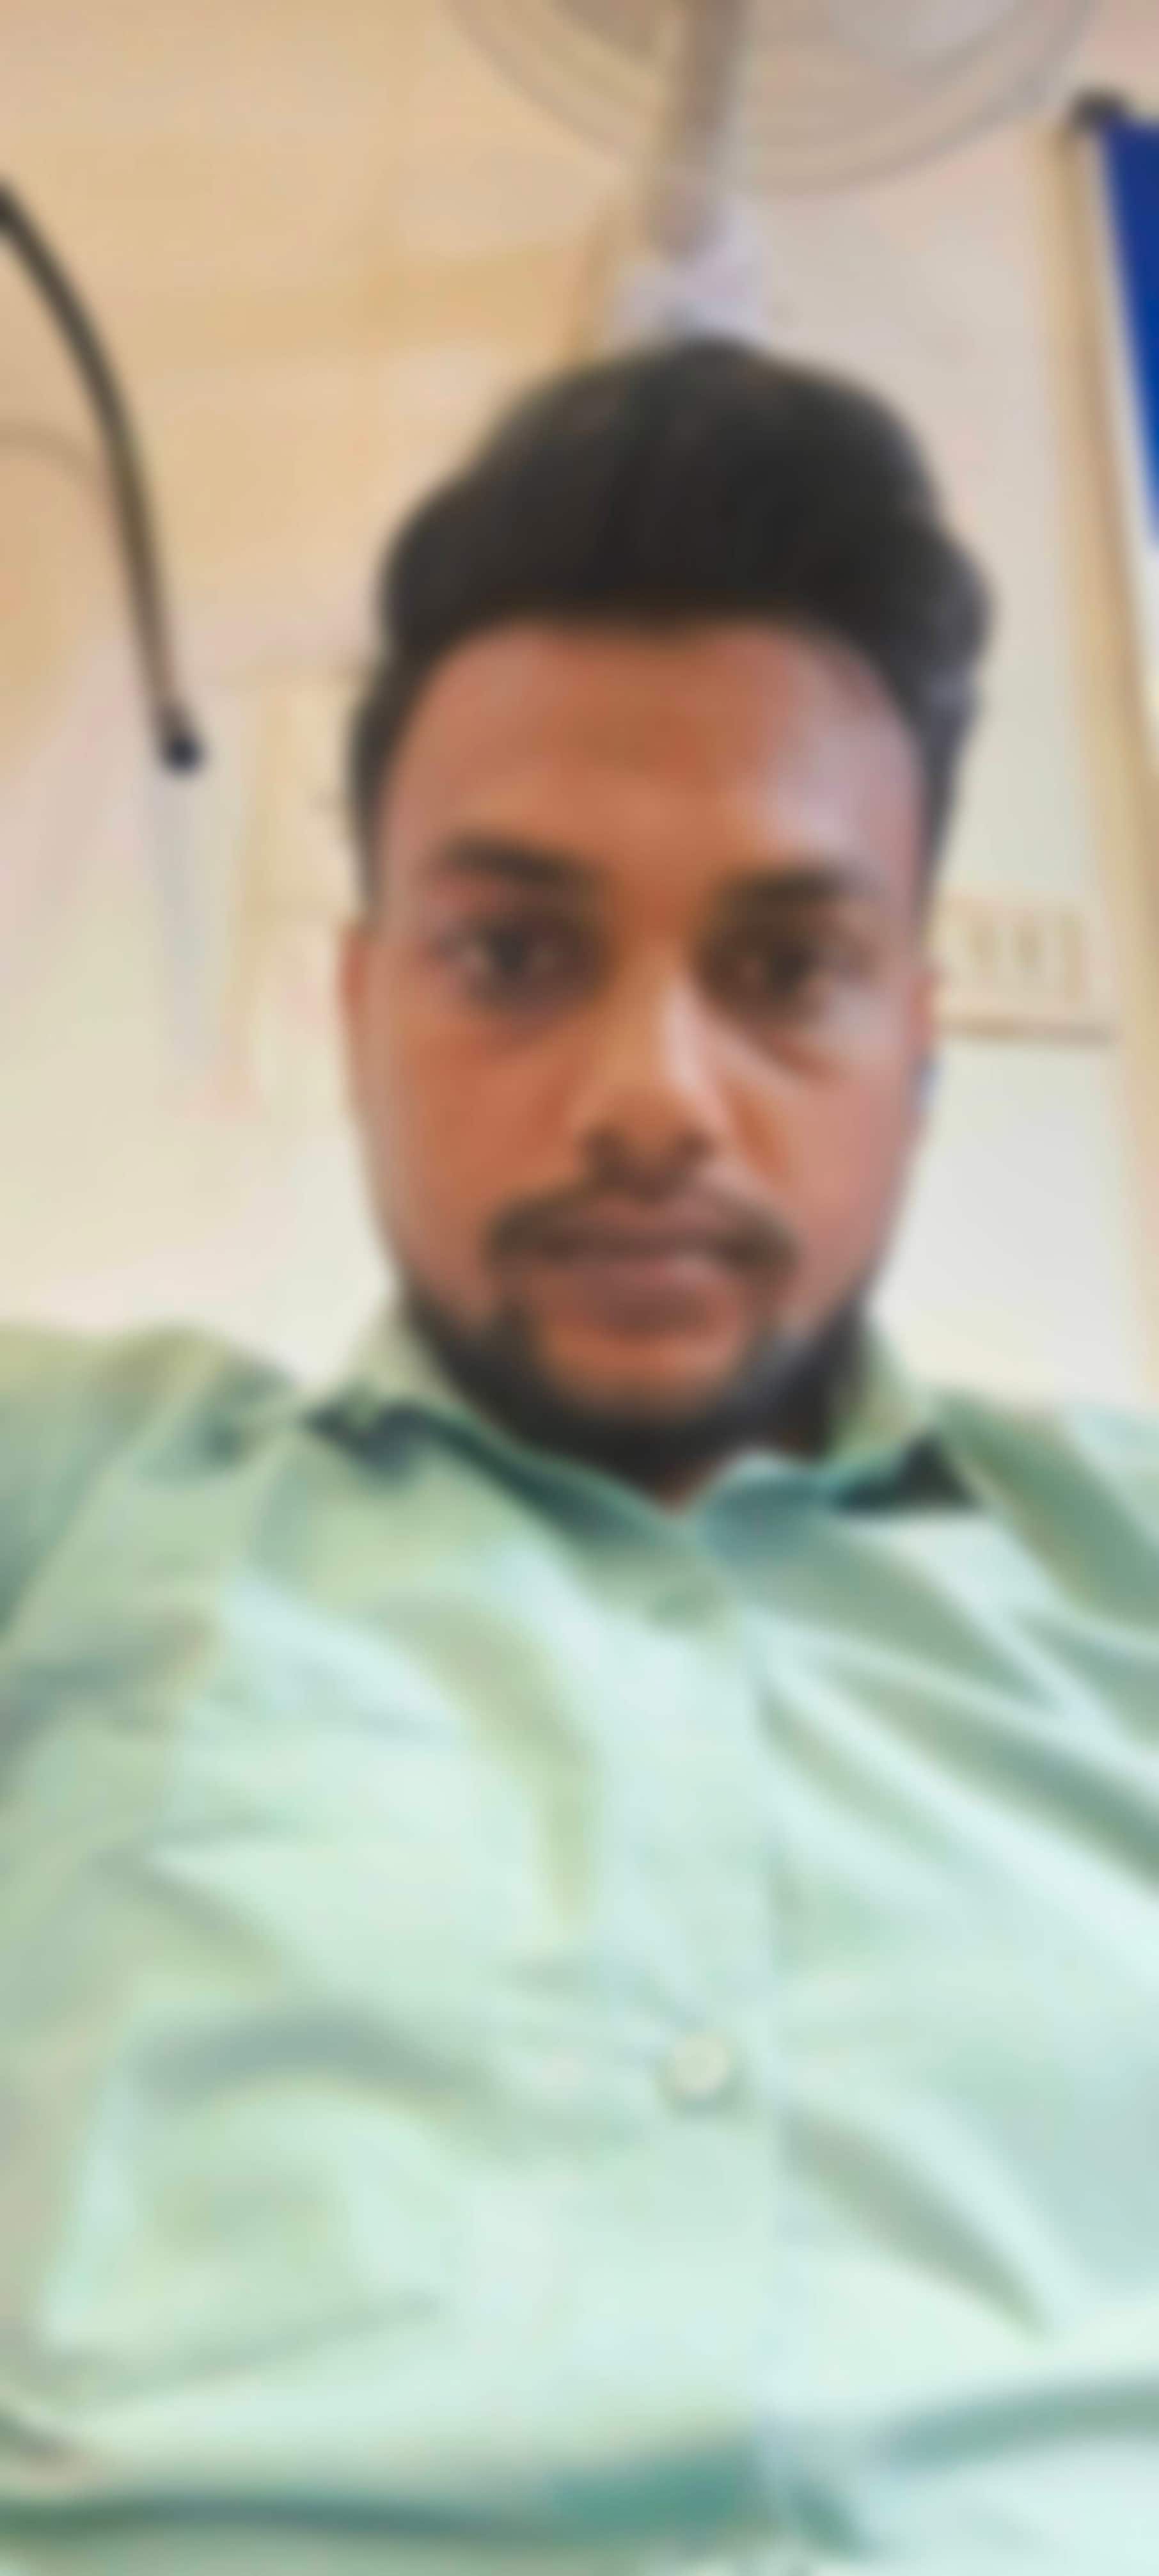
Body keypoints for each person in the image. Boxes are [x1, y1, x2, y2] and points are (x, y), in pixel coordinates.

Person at [0, 340, 1156, 2576]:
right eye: (516, 951)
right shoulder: (69, 1504)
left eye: (785, 967)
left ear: (916, 1037)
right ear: (362, 1011)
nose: (650, 1095)